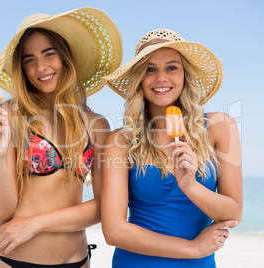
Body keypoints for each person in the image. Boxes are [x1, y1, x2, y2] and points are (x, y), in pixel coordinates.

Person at [0, 7, 122, 268]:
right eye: (29, 59)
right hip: (9, 259)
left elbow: (104, 207)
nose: (40, 67)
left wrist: (36, 223)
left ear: (65, 57)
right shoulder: (7, 115)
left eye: (49, 54)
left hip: (75, 261)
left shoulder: (96, 125)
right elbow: (0, 212)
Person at [100, 29, 243, 267]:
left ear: (186, 74)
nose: (161, 78)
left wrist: (190, 185)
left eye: (172, 67)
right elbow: (114, 231)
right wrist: (192, 248)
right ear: (139, 79)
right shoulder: (120, 141)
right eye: (150, 69)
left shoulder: (220, 126)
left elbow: (233, 213)